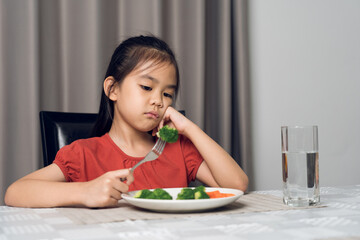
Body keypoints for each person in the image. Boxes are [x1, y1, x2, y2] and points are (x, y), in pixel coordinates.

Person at [4, 35, 248, 208]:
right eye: (146, 87)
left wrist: (190, 129)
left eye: (167, 94)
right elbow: (15, 193)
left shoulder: (179, 150)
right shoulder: (84, 153)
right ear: (113, 89)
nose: (158, 101)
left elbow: (237, 185)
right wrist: (84, 191)